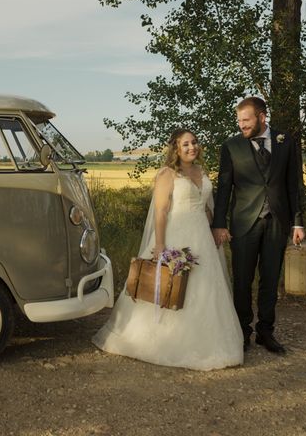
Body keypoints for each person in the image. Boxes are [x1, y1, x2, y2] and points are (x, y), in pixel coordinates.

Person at [92, 129, 244, 371]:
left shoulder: (200, 171)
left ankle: (206, 343)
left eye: (195, 142)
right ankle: (158, 340)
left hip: (201, 237)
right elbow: (161, 211)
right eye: (186, 144)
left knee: (205, 288)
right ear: (175, 148)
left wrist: (218, 226)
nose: (192, 147)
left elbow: (204, 207)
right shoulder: (167, 174)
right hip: (176, 235)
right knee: (167, 286)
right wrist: (160, 246)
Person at [212, 97, 305, 355]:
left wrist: (298, 222)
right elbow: (224, 188)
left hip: (277, 221)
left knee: (270, 278)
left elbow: (293, 185)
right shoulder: (231, 146)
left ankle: (266, 331)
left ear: (263, 116)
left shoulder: (285, 141)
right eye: (239, 120)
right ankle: (242, 331)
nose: (241, 125)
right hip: (244, 223)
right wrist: (219, 223)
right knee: (242, 279)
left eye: (246, 120)